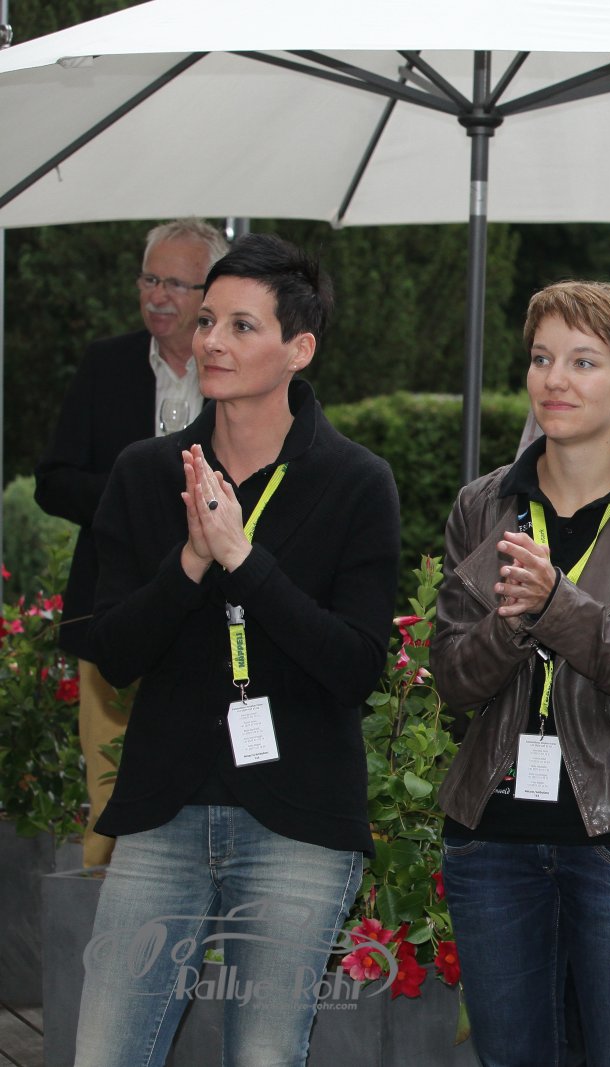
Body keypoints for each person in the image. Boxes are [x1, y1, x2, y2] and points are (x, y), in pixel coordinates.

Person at [72, 234, 401, 1067]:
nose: (212, 340)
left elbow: (356, 665)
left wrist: (245, 562)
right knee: (106, 1052)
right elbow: (114, 652)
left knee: (264, 1055)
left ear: (299, 348)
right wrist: (190, 561)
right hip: (162, 809)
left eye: (241, 326)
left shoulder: (356, 481)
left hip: (300, 817)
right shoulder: (146, 473)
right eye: (208, 320)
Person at [435, 280, 610, 1067]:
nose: (554, 379)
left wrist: (558, 606)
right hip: (493, 839)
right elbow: (454, 681)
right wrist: (510, 622)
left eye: (582, 362)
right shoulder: (483, 506)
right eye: (541, 358)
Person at [34, 217, 230, 867]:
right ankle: (106, 902)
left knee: (202, 779)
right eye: (150, 279)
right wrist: (134, 499)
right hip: (111, 608)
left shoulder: (235, 368)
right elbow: (53, 481)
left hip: (209, 610)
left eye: (176, 283)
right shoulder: (107, 364)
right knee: (109, 789)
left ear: (211, 291)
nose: (158, 296)